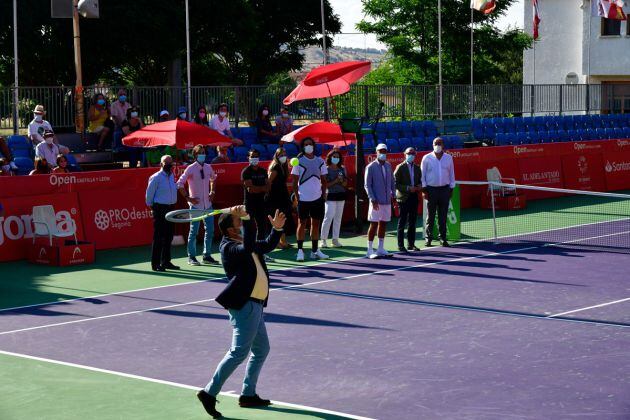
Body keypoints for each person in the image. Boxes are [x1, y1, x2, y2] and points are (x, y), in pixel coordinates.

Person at [197, 206, 286, 418]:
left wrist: (277, 230)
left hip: (256, 305)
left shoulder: (243, 242)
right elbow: (248, 248)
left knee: (262, 349)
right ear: (229, 229)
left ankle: (248, 394)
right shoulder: (228, 247)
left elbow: (265, 246)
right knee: (238, 352)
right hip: (245, 306)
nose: (241, 223)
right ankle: (209, 392)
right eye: (238, 221)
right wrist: (247, 218)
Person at [177, 145, 219, 266]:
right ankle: (191, 257)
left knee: (210, 231)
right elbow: (179, 184)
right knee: (193, 232)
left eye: (204, 152)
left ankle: (207, 255)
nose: (202, 154)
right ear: (195, 155)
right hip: (195, 207)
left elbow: (213, 179)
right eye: (200, 153)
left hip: (208, 206)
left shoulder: (208, 167)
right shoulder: (190, 168)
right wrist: (188, 198)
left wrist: (212, 192)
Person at [291, 137, 328, 261]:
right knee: (302, 223)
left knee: (315, 224)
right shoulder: (298, 161)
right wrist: (297, 197)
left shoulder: (320, 161)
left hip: (317, 198)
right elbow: (294, 182)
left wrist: (324, 194)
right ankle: (300, 251)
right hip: (303, 199)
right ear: (303, 147)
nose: (308, 146)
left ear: (313, 146)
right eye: (306, 144)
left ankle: (315, 251)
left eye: (310, 144)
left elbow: (324, 180)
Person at [145, 155, 180, 272]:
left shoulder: (172, 176)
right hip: (160, 209)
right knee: (158, 237)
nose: (169, 165)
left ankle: (166, 261)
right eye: (166, 163)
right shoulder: (155, 177)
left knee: (169, 236)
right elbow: (149, 197)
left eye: (171, 163)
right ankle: (155, 264)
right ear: (161, 164)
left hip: (171, 209)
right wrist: (155, 209)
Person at [421, 137, 456, 247]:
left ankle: (443, 238)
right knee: (430, 216)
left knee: (443, 216)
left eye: (439, 143)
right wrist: (424, 190)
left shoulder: (448, 158)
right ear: (432, 145)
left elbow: (451, 174)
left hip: (445, 190)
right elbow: (422, 176)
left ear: (443, 145)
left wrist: (451, 188)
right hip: (431, 190)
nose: (437, 145)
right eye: (435, 143)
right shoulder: (426, 158)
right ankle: (428, 238)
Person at [241, 149, 274, 263]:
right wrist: (262, 189)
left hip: (261, 204)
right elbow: (250, 189)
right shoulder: (246, 171)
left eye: (256, 156)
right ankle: (247, 254)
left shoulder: (263, 171)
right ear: (248, 158)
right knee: (249, 230)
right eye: (252, 156)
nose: (254, 158)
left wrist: (259, 189)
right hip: (249, 205)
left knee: (262, 229)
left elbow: (268, 187)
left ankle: (261, 253)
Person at [364, 143, 395, 259]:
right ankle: (369, 250)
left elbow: (392, 181)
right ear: (376, 152)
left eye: (384, 151)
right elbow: (367, 185)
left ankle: (380, 248)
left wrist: (394, 196)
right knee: (373, 224)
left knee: (383, 224)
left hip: (387, 201)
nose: (382, 153)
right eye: (380, 151)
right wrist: (372, 199)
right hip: (375, 201)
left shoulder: (388, 165)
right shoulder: (370, 167)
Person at [394, 147, 422, 253]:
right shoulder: (400, 167)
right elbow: (395, 183)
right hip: (403, 198)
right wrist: (407, 188)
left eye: (413, 153)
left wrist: (419, 186)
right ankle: (400, 245)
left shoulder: (417, 168)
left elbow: (420, 180)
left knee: (412, 222)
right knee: (402, 222)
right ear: (404, 154)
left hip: (414, 197)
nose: (411, 155)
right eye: (409, 153)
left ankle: (411, 244)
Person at [267, 147, 294, 249]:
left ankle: (283, 241)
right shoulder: (275, 167)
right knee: (277, 218)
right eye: (280, 155)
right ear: (276, 156)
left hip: (283, 195)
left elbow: (282, 182)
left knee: (284, 218)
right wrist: (268, 195)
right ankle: (276, 242)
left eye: (284, 154)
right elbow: (269, 182)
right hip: (275, 197)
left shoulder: (284, 166)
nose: (283, 157)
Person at [320, 149, 347, 248]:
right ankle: (323, 240)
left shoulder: (342, 169)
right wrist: (336, 181)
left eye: (337, 157)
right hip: (330, 196)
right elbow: (325, 185)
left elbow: (345, 184)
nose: (336, 158)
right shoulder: (325, 169)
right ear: (330, 157)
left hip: (341, 195)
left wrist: (341, 181)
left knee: (338, 218)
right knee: (328, 217)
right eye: (334, 157)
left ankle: (335, 240)